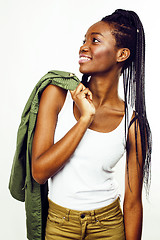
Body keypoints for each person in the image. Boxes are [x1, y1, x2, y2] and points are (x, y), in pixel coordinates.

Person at [31, 9, 152, 240]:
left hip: (109, 225)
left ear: (121, 54)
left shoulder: (133, 123)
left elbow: (133, 202)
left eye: (95, 40)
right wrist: (85, 118)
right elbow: (39, 172)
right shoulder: (57, 94)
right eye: (84, 40)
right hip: (60, 225)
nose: (84, 47)